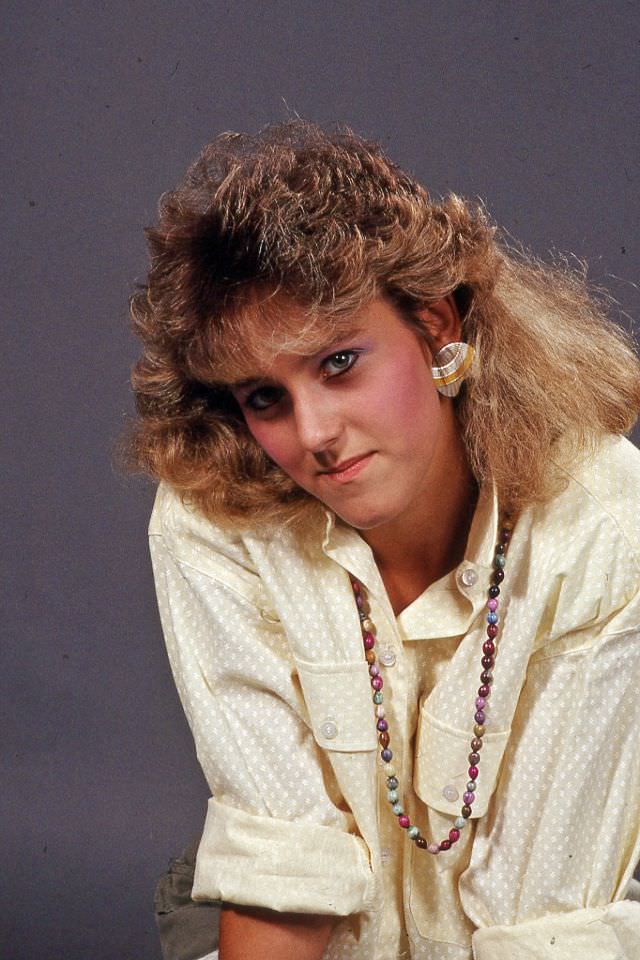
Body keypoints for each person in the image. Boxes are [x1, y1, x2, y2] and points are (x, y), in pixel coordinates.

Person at [125, 120, 640, 959]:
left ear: (437, 327)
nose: (314, 433)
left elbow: (545, 925)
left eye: (337, 363)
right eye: (264, 396)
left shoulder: (606, 521)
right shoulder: (212, 514)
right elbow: (282, 880)